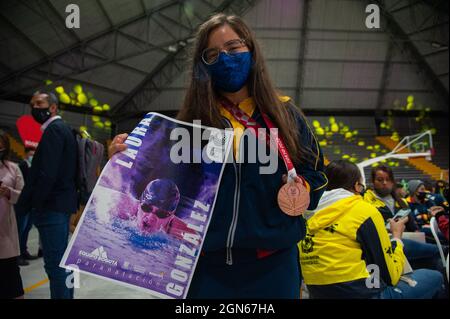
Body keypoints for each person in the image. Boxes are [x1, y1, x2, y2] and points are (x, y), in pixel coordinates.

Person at [109, 13, 327, 299]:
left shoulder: (286, 114)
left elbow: (316, 172)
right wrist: (120, 159)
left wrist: (302, 188)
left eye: (234, 48)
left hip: (273, 264)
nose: (225, 58)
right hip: (202, 268)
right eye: (213, 54)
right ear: (204, 65)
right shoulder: (192, 122)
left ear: (251, 50)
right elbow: (153, 180)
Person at [299, 160, 444, 299]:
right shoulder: (364, 209)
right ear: (357, 186)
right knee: (435, 276)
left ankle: (442, 250)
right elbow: (390, 275)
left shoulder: (307, 214)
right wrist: (397, 237)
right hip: (362, 293)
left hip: (319, 293)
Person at [16, 91, 78, 299]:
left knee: (55, 265)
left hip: (52, 207)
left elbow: (46, 173)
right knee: (62, 263)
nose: (34, 107)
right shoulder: (64, 130)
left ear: (53, 107)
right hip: (61, 205)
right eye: (32, 103)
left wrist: (35, 204)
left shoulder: (54, 130)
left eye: (39, 103)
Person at [363, 166, 441, 270]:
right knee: (438, 251)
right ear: (373, 181)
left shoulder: (401, 202)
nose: (385, 183)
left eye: (388, 179)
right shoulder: (365, 201)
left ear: (392, 181)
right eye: (380, 180)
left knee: (436, 261)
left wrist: (417, 233)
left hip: (406, 240)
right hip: (384, 243)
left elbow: (413, 227)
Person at [117, 179, 198, 240]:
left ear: (171, 216)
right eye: (147, 207)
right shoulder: (122, 207)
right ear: (139, 204)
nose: (151, 217)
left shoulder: (183, 233)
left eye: (161, 213)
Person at [0, 131, 25, 299]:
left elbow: (23, 195)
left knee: (10, 272)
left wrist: (8, 192)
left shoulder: (13, 168)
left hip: (6, 228)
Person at [15, 147, 41, 266]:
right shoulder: (21, 166)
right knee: (20, 229)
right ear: (25, 155)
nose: (32, 156)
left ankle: (24, 251)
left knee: (27, 229)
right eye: (31, 154)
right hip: (22, 203)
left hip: (31, 203)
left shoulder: (34, 167)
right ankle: (17, 255)